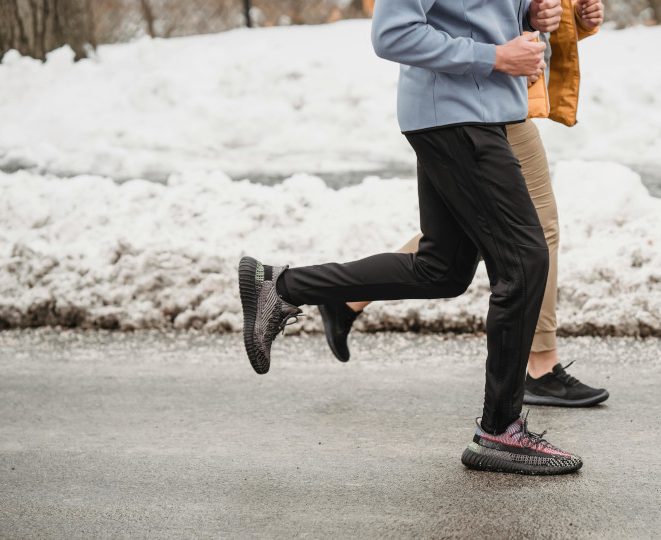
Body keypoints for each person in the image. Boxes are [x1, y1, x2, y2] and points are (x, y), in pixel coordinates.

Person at [239, 0, 584, 475]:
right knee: (525, 261)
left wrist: (532, 14)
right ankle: (500, 430)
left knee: (440, 270)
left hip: (481, 112)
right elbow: (393, 34)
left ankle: (280, 286)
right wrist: (495, 57)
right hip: (456, 116)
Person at [317, 0, 609, 408]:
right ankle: (535, 373)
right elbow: (396, 33)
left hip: (497, 98)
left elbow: (501, 15)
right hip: (464, 106)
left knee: (468, 239)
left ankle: (338, 296)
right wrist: (499, 55)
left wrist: (554, 18)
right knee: (527, 237)